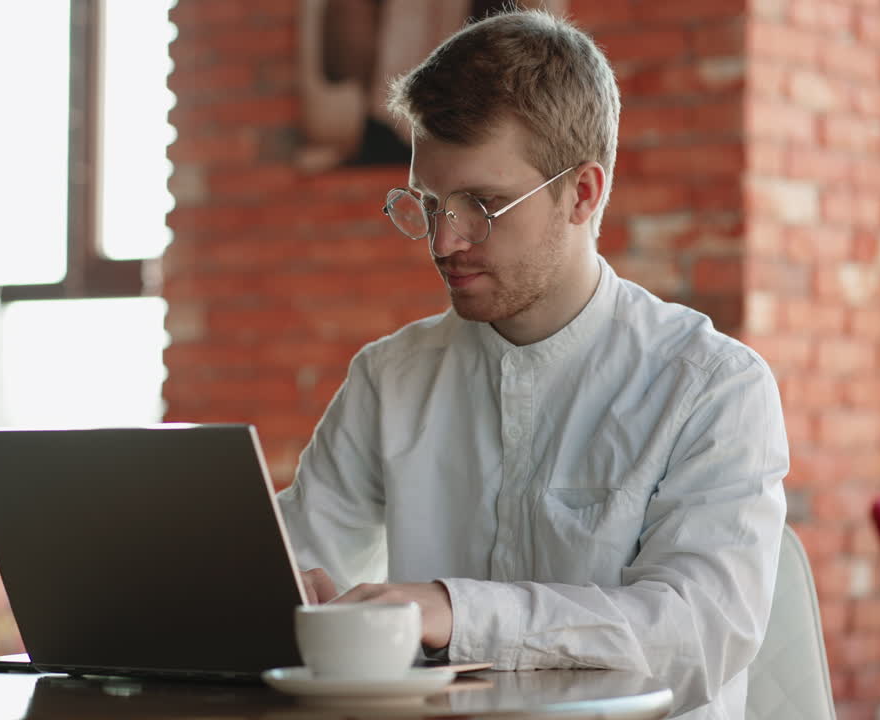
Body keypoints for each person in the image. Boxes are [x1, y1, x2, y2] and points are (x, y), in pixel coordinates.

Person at [274, 9, 788, 719]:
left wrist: (455, 611)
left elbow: (697, 638)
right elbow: (298, 569)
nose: (444, 240)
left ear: (583, 194)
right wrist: (287, 602)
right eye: (428, 203)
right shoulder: (387, 380)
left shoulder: (713, 387)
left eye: (481, 204)